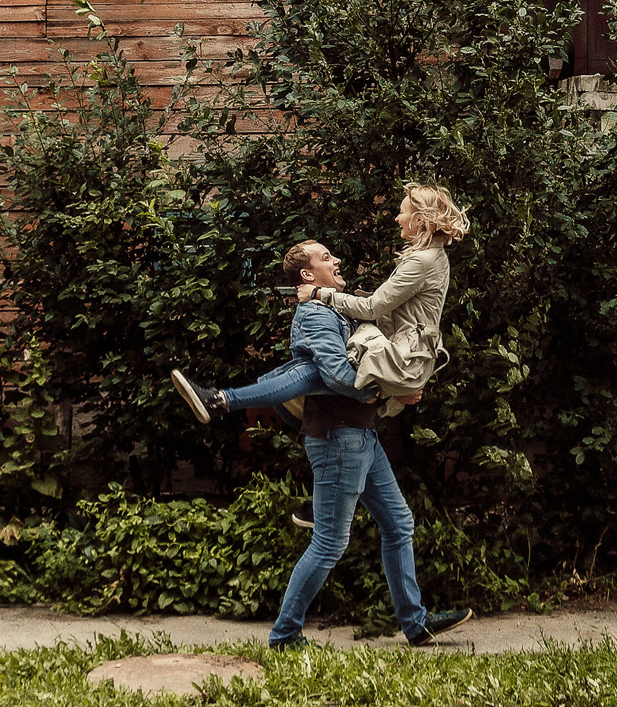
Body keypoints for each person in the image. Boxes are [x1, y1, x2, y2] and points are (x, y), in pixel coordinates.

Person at [262, 242, 472, 649]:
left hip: (361, 436)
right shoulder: (315, 314)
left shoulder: (337, 309)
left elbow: (371, 356)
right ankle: (285, 634)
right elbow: (343, 376)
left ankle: (415, 623)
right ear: (307, 275)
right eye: (325, 258)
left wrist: (398, 389)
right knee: (329, 542)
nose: (337, 259)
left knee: (398, 524)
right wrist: (384, 390)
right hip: (340, 437)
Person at [170, 185, 467, 423]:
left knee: (312, 371)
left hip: (402, 360)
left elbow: (375, 308)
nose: (396, 218)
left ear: (419, 219)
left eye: (402, 212)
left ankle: (222, 400)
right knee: (301, 372)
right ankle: (227, 400)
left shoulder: (421, 261)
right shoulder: (432, 258)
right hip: (405, 359)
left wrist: (318, 294)